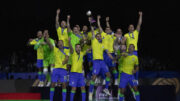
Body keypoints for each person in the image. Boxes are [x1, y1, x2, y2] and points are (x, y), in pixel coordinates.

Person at [88, 17, 115, 100]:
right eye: (98, 36)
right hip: (96, 62)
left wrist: (113, 58)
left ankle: (106, 88)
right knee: (94, 77)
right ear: (96, 37)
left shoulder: (103, 44)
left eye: (100, 36)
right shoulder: (94, 41)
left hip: (102, 62)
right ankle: (90, 93)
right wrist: (90, 22)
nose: (99, 37)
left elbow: (108, 52)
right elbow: (93, 31)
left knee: (108, 75)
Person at [97, 16, 119, 85]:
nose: (107, 30)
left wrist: (107, 22)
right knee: (104, 68)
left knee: (113, 68)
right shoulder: (103, 34)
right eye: (106, 29)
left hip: (111, 54)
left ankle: (115, 79)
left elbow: (117, 36)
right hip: (104, 54)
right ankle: (104, 79)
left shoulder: (112, 35)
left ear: (110, 30)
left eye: (108, 29)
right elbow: (99, 26)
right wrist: (98, 19)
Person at [124, 11, 143, 82]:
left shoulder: (136, 32)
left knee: (136, 66)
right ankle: (128, 79)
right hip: (127, 52)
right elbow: (123, 42)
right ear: (128, 28)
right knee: (127, 66)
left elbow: (139, 24)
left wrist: (140, 15)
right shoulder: (126, 35)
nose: (132, 28)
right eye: (130, 27)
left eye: (133, 27)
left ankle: (136, 79)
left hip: (135, 52)